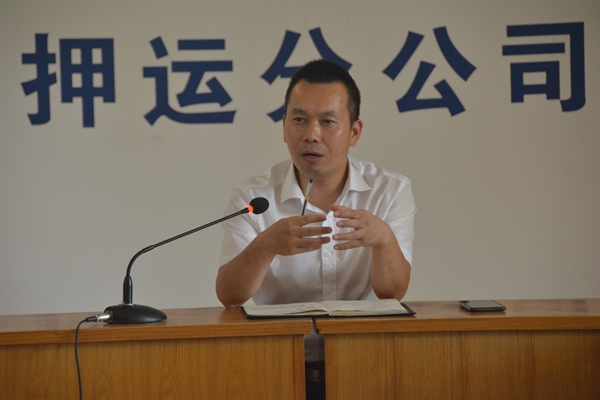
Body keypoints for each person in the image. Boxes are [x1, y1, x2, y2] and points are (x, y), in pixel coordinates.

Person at [216, 59, 416, 398]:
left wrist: (384, 240)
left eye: (327, 122)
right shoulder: (253, 197)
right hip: (276, 365)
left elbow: (392, 293)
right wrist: (266, 245)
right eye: (299, 120)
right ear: (284, 127)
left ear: (354, 132)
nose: (311, 134)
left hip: (365, 363)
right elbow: (229, 295)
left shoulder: (390, 190)